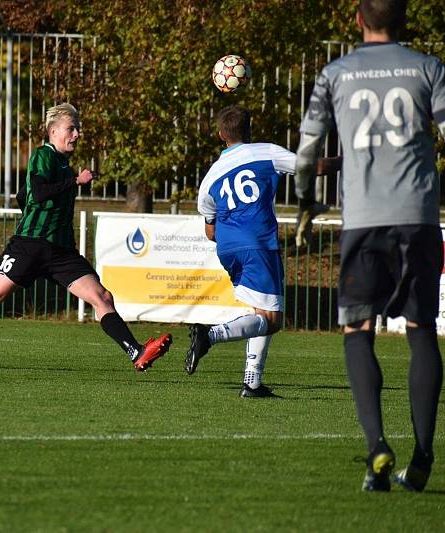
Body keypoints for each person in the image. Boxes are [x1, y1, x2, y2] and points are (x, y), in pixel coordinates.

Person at [295, 0, 445, 492]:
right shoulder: (428, 68)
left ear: (358, 20)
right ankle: (422, 455)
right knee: (422, 328)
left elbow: (308, 146)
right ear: (403, 22)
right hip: (418, 217)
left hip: (363, 222)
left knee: (358, 329)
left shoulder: (335, 73)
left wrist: (304, 198)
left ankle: (378, 445)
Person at [0, 103, 172, 371]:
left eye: (77, 129)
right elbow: (38, 193)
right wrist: (73, 184)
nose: (76, 134)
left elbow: (23, 195)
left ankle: (136, 351)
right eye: (71, 128)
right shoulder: (44, 155)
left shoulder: (63, 164)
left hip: (60, 252)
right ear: (53, 131)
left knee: (102, 296)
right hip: (30, 245)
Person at [185, 106, 295, 399]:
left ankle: (252, 383)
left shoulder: (210, 177)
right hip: (258, 243)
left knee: (259, 312)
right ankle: (210, 335)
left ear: (221, 134)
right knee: (272, 320)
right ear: (249, 129)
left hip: (228, 248)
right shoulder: (265, 152)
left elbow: (210, 231)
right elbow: (311, 165)